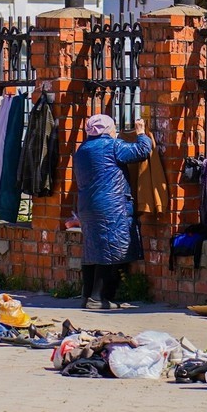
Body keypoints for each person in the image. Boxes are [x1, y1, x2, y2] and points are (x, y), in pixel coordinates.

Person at [73, 114, 152, 310]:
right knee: (109, 250)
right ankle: (98, 298)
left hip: (87, 207)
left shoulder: (82, 149)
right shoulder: (112, 146)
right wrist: (141, 133)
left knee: (92, 249)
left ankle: (87, 295)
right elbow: (141, 151)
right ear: (108, 130)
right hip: (110, 205)